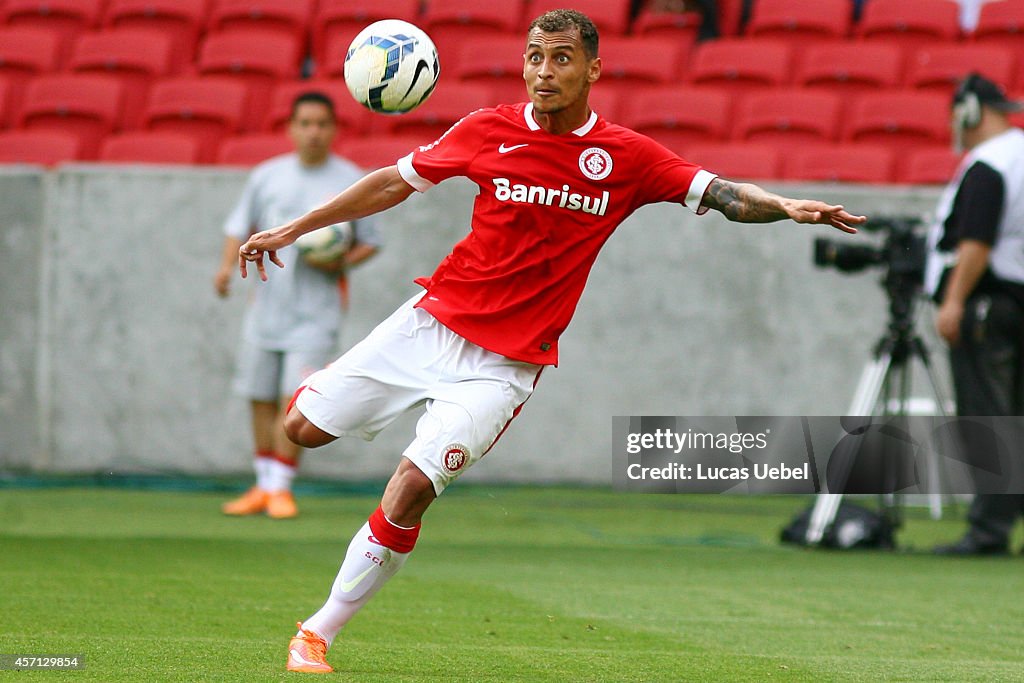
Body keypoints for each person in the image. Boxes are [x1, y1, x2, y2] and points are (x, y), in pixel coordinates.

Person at [238, 10, 865, 673]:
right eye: (535, 56)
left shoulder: (627, 157)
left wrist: (787, 207)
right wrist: (294, 228)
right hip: (431, 323)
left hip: (505, 367)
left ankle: (317, 632)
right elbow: (396, 180)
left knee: (412, 487)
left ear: (593, 68)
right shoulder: (488, 128)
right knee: (301, 428)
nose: (544, 70)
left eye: (561, 58)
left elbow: (722, 193)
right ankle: (329, 384)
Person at [214, 91, 381, 520]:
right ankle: (263, 485)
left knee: (296, 400)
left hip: (316, 314)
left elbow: (371, 242)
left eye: (322, 124)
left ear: (334, 130)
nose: (313, 132)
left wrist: (339, 259)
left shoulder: (350, 178)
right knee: (258, 395)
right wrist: (225, 269)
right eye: (305, 123)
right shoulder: (267, 176)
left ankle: (281, 488)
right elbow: (238, 225)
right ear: (291, 128)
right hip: (266, 309)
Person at [926, 73, 1024, 556]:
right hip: (1017, 301)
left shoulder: (989, 163)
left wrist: (954, 299)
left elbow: (976, 242)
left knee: (988, 419)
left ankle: (989, 529)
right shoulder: (1020, 153)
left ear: (968, 110)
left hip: (987, 305)